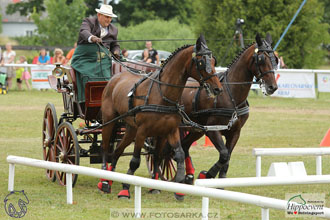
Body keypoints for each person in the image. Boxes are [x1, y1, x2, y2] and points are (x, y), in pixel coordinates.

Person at [71, 4, 120, 103]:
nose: (109, 20)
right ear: (99, 15)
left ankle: (107, 103)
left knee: (107, 80)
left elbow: (115, 45)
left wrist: (116, 51)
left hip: (103, 60)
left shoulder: (114, 29)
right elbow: (84, 32)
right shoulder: (88, 21)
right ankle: (86, 101)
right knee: (89, 77)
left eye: (110, 17)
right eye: (107, 17)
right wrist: (92, 38)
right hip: (84, 58)